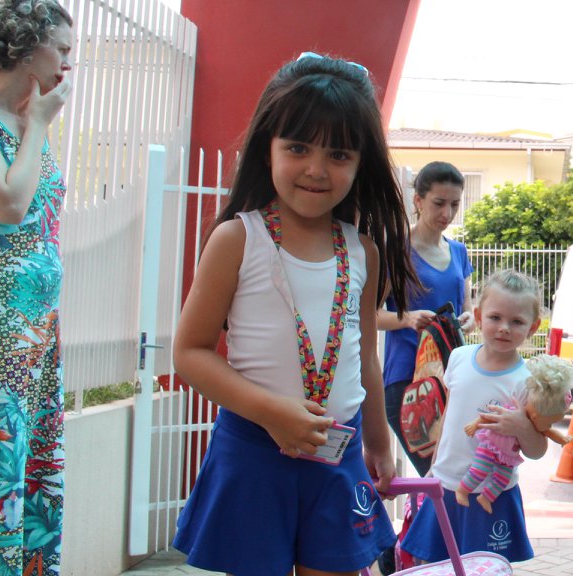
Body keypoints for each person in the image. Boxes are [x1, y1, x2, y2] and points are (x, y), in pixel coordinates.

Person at [172, 52, 416, 576]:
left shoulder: (364, 252)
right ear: (268, 150)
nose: (316, 169)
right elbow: (189, 353)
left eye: (338, 154)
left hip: (339, 452)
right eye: (298, 147)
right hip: (252, 452)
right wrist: (270, 412)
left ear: (361, 164)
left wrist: (378, 441)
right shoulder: (237, 239)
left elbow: (365, 358)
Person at [0, 0, 73, 575]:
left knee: (28, 466)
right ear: (23, 46)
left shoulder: (26, 122)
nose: (68, 65)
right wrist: (38, 122)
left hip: (35, 334)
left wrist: (34, 122)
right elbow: (10, 204)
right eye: (61, 50)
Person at [399, 270, 547, 564]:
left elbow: (538, 449)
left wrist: (520, 425)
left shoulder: (529, 380)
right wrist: (433, 467)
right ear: (478, 316)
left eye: (516, 321)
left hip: (491, 496)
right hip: (444, 487)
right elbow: (448, 417)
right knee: (434, 566)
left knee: (485, 568)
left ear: (533, 327)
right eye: (495, 317)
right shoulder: (459, 357)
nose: (504, 328)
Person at [379, 160, 474, 476]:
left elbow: (468, 308)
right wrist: (406, 319)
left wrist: (468, 319)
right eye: (439, 203)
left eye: (454, 204)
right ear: (418, 200)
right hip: (408, 382)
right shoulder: (397, 249)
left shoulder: (459, 251)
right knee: (441, 478)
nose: (447, 213)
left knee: (453, 477)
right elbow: (369, 315)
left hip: (453, 378)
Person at [456, 354, 573, 513]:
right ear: (535, 417)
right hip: (491, 445)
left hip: (507, 456)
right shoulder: (513, 411)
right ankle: (462, 491)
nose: (549, 426)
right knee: (479, 470)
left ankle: (486, 497)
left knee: (503, 479)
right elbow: (489, 416)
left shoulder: (534, 422)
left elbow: (548, 432)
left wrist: (561, 438)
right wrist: (474, 425)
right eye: (550, 422)